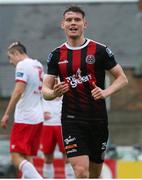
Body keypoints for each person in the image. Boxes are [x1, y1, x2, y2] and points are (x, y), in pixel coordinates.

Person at [42, 6, 128, 178]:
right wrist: (54, 93)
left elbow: (122, 78)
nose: (73, 23)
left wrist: (105, 92)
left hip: (98, 120)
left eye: (77, 20)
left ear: (85, 24)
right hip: (72, 120)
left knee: (94, 175)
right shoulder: (56, 55)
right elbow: (45, 90)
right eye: (69, 20)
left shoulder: (100, 51)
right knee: (81, 172)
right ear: (62, 25)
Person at [0, 41, 44, 179]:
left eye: (10, 57)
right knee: (27, 157)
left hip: (25, 118)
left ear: (17, 53)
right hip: (38, 117)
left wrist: (6, 113)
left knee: (15, 157)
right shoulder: (38, 64)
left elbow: (18, 90)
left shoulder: (22, 65)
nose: (10, 61)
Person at [40, 78, 74, 178]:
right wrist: (41, 112)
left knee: (68, 155)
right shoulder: (45, 77)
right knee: (48, 157)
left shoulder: (67, 76)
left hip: (63, 124)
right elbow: (35, 96)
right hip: (47, 124)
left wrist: (68, 112)